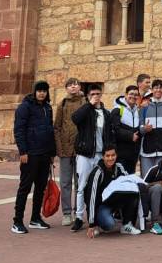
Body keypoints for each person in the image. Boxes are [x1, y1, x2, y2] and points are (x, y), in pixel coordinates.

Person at [12, 79, 57, 234]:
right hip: (30, 154)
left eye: (44, 90)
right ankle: (17, 221)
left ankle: (35, 218)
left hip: (44, 154)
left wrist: (52, 153)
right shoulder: (25, 107)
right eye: (39, 90)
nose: (42, 93)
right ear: (34, 91)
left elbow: (50, 131)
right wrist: (22, 151)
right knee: (25, 188)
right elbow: (19, 130)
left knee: (40, 188)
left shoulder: (48, 108)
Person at [70, 86, 116, 232]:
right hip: (85, 154)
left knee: (97, 186)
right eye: (93, 94)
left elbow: (109, 134)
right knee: (82, 186)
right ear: (88, 96)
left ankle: (94, 215)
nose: (96, 96)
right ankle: (78, 217)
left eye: (98, 94)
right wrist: (89, 104)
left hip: (99, 155)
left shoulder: (105, 113)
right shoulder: (86, 111)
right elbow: (75, 118)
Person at [83, 145, 142, 237]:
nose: (110, 158)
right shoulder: (97, 173)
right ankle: (97, 223)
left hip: (114, 201)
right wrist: (91, 224)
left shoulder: (119, 167)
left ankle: (127, 225)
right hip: (101, 205)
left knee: (133, 192)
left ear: (116, 155)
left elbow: (128, 181)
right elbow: (91, 199)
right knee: (109, 225)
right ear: (103, 157)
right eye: (107, 156)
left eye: (113, 155)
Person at [52, 77, 84, 226]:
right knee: (65, 183)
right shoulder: (62, 104)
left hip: (81, 150)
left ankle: (78, 212)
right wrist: (59, 147)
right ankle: (66, 213)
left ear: (79, 87)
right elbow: (57, 127)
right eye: (70, 85)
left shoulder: (84, 102)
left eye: (75, 84)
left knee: (80, 183)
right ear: (66, 88)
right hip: (65, 149)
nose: (73, 87)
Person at [140, 79, 162, 179]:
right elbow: (139, 127)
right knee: (146, 180)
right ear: (152, 90)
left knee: (160, 180)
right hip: (146, 151)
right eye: (156, 87)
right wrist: (144, 129)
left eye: (160, 88)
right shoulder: (144, 107)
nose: (158, 90)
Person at [111, 84, 142, 173]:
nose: (133, 96)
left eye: (136, 95)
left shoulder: (137, 110)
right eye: (131, 94)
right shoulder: (117, 109)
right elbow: (114, 129)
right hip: (121, 154)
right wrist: (130, 135)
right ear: (125, 95)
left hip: (133, 155)